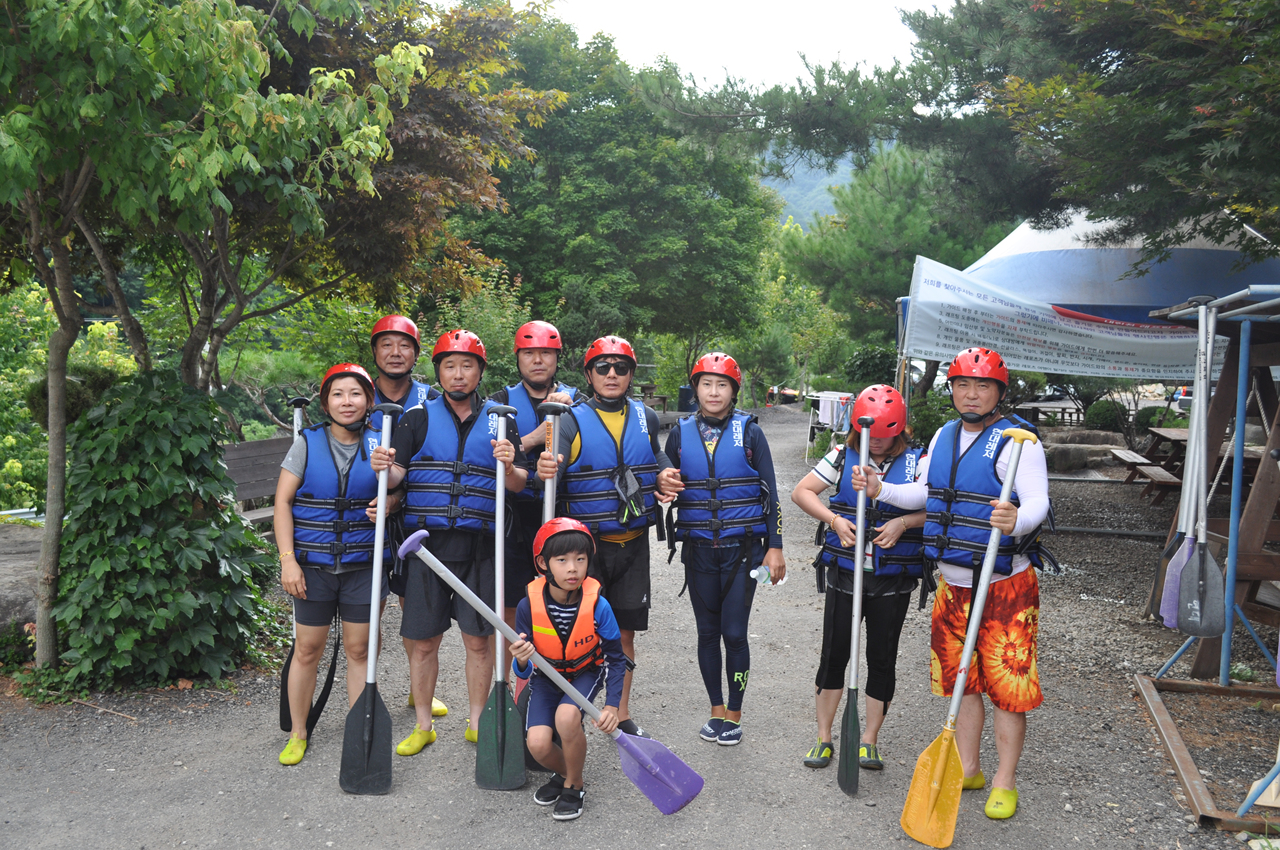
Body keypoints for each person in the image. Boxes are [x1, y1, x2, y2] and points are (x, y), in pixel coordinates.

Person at [848, 348, 1050, 820]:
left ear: (999, 392)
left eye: (982, 386)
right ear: (952, 389)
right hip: (953, 585)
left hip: (1004, 585)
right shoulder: (944, 435)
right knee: (965, 681)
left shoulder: (1020, 441)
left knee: (1007, 688)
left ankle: (1004, 780)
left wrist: (1018, 519)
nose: (971, 394)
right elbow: (927, 492)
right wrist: (880, 489)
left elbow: (1038, 501)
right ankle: (970, 767)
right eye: (962, 385)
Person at [369, 330, 527, 755]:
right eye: (450, 366)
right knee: (424, 642)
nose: (458, 374)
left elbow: (518, 483)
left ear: (480, 372)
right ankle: (423, 725)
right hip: (426, 547)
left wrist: (510, 465)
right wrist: (384, 466)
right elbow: (397, 477)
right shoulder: (415, 418)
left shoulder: (502, 419)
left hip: (481, 548)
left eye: (467, 366)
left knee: (478, 641)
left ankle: (477, 721)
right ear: (438, 371)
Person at [536, 335, 676, 737]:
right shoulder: (568, 420)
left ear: (631, 375)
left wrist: (664, 472)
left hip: (632, 545)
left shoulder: (646, 416)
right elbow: (549, 476)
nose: (612, 374)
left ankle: (620, 711)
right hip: (586, 552)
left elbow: (655, 453)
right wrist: (544, 469)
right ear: (589, 374)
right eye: (603, 367)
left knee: (624, 634)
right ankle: (568, 712)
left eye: (621, 367)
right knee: (574, 632)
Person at [790, 384, 926, 771]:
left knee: (882, 659)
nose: (877, 442)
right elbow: (802, 492)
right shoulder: (841, 454)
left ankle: (869, 740)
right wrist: (834, 519)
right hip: (845, 574)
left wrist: (903, 522)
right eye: (871, 434)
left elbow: (934, 504)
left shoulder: (919, 460)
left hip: (892, 579)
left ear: (900, 429)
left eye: (886, 434)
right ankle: (824, 737)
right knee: (834, 655)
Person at [661, 352, 785, 746]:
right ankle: (715, 710)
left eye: (722, 385)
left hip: (743, 551)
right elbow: (663, 480)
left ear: (733, 391)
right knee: (706, 633)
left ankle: (734, 712)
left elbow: (771, 494)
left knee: (734, 633)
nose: (714, 392)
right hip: (699, 550)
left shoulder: (750, 433)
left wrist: (775, 547)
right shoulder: (680, 435)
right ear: (695, 388)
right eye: (706, 384)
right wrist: (663, 486)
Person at [273, 363, 390, 765]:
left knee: (360, 650)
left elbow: (398, 491)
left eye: (355, 393)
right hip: (313, 567)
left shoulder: (381, 443)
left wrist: (390, 498)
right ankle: (298, 732)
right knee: (307, 649)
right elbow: (282, 502)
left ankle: (361, 733)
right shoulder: (306, 443)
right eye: (338, 394)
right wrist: (288, 561)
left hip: (363, 565)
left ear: (369, 401)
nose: (347, 401)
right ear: (325, 403)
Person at [510, 518, 625, 821]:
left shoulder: (599, 606)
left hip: (585, 672)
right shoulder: (527, 607)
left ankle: (574, 786)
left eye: (580, 559)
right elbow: (523, 672)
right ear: (543, 564)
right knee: (537, 745)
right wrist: (521, 659)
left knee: (566, 717)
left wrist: (612, 705)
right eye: (562, 560)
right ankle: (566, 774)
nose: (573, 569)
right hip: (547, 678)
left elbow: (616, 659)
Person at [368, 313, 448, 719]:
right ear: (375, 352)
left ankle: (420, 691)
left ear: (416, 354)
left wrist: (397, 499)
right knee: (368, 615)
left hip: (412, 520)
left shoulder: (432, 400)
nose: (395, 352)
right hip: (361, 521)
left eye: (404, 346)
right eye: (387, 344)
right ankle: (366, 690)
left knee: (414, 612)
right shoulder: (355, 395)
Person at [489, 321, 582, 663]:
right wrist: (539, 434)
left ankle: (559, 675)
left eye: (546, 353)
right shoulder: (499, 403)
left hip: (561, 516)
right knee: (511, 608)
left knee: (562, 603)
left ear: (557, 358)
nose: (538, 360)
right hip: (514, 517)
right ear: (518, 358)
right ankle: (514, 677)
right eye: (530, 353)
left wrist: (569, 413)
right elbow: (495, 455)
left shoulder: (578, 401)